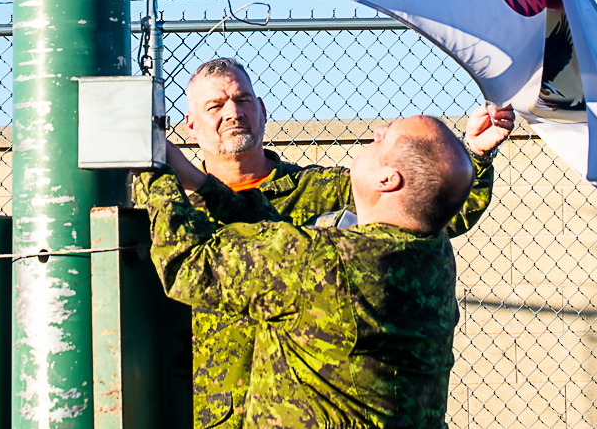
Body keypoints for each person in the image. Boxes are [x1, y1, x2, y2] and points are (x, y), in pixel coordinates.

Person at [139, 57, 513, 428]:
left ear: (262, 109)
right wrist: (200, 186)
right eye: (216, 105)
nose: (234, 112)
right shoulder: (430, 253)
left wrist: (150, 167)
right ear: (191, 124)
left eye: (244, 100)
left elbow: (432, 205)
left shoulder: (320, 211)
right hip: (216, 410)